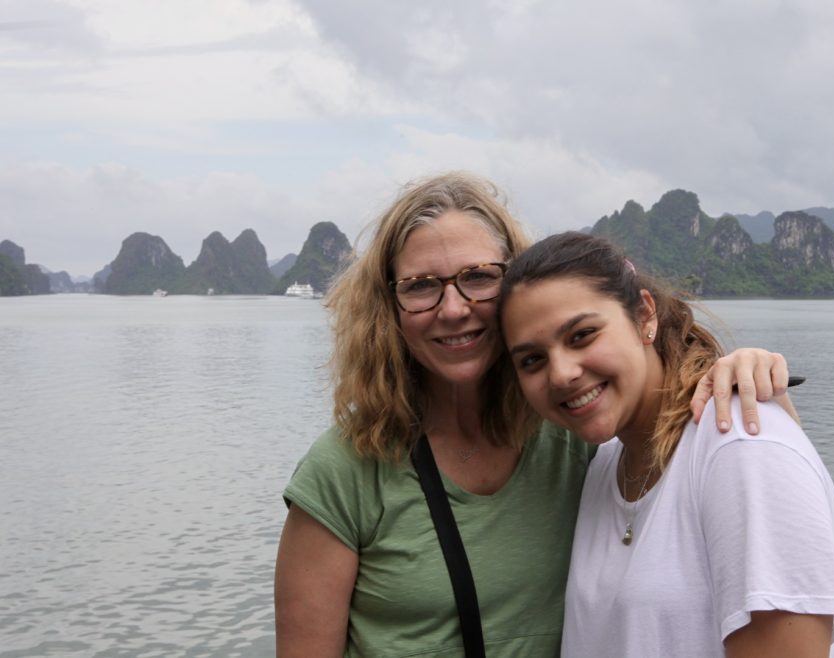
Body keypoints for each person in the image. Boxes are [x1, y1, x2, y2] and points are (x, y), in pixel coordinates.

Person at [273, 172, 800, 657]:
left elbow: (695, 448)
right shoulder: (346, 469)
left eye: (478, 277)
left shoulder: (577, 434)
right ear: (388, 307)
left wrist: (744, 374)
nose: (453, 308)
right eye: (421, 286)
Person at [499, 232, 834, 657]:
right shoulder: (606, 464)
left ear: (644, 315)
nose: (561, 373)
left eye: (582, 335)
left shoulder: (742, 447)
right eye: (531, 360)